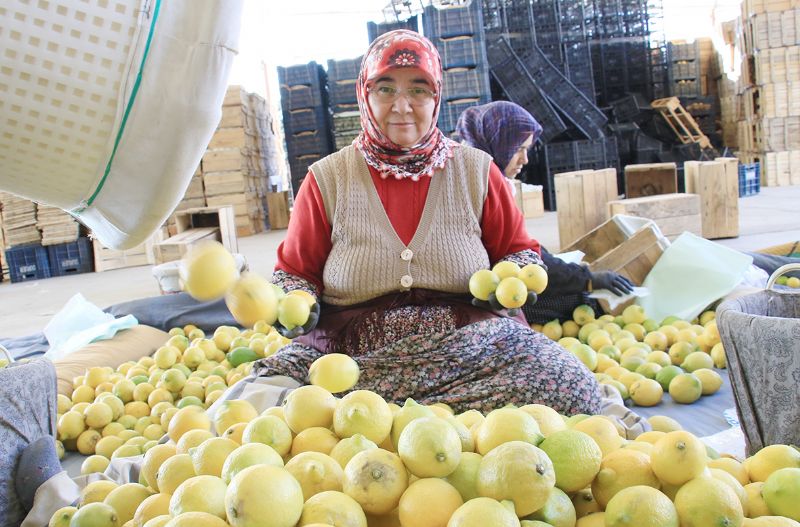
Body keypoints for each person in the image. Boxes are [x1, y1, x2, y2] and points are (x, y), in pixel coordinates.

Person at [253, 30, 602, 416]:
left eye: (418, 89)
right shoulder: (327, 179)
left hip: (470, 351)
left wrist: (518, 274)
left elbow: (518, 250)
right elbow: (295, 271)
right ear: (364, 95)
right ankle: (419, 419)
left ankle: (396, 419)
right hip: (355, 356)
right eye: (385, 89)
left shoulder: (478, 171)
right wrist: (293, 301)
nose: (402, 106)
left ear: (436, 96)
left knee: (573, 388)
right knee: (261, 406)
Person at [456, 101, 635, 324]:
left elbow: (520, 246)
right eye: (519, 149)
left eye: (527, 150)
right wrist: (588, 279)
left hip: (495, 286)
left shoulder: (472, 174)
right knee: (580, 300)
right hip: (479, 299)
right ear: (499, 143)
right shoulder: (478, 186)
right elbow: (519, 257)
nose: (525, 159)